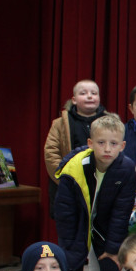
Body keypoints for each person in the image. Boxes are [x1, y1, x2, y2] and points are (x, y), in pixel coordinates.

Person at [54, 113, 136, 271]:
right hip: (77, 224)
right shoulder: (73, 168)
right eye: (101, 143)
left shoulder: (127, 169)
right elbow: (65, 212)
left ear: (122, 146)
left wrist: (114, 249)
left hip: (106, 227)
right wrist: (68, 246)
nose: (107, 149)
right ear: (90, 143)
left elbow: (121, 213)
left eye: (113, 144)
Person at [44, 79, 106, 210]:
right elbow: (51, 153)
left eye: (94, 93)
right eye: (83, 93)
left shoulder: (111, 123)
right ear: (74, 100)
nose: (90, 96)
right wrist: (65, 180)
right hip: (69, 188)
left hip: (102, 188)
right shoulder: (59, 124)